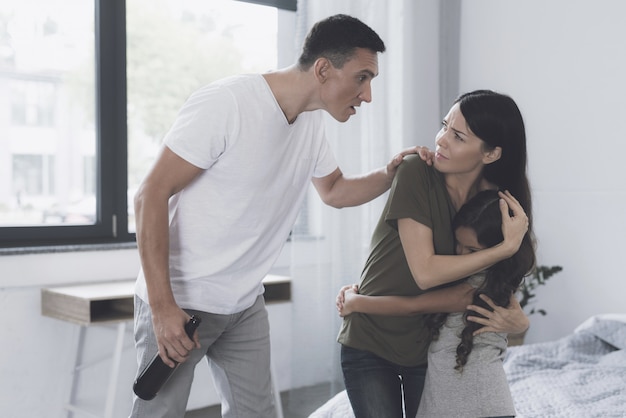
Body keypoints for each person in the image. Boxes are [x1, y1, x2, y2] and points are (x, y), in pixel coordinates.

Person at [131, 14, 426, 418]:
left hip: (244, 305)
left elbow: (335, 191)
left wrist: (390, 174)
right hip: (181, 301)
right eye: (362, 77)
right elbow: (151, 195)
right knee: (158, 414)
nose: (368, 94)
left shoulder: (310, 124)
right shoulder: (228, 103)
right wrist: (163, 308)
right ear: (324, 68)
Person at [336, 89, 535, 418]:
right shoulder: (416, 172)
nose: (441, 140)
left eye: (457, 136)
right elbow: (425, 273)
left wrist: (520, 321)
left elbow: (496, 285)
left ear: (491, 153)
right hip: (370, 339)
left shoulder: (494, 205)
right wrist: (504, 248)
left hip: (424, 350)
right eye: (445, 126)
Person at [339, 190, 536, 417]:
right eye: (458, 244)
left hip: (480, 406)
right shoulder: (486, 281)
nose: (461, 254)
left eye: (472, 250)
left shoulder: (471, 291)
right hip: (477, 403)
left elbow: (412, 306)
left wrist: (356, 303)